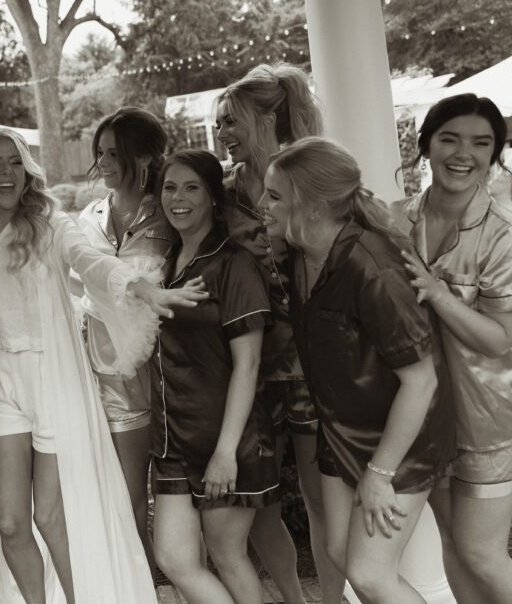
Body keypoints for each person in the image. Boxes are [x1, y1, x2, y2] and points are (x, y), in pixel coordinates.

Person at [0, 127, 203, 603]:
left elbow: (89, 261)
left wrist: (141, 287)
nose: (6, 173)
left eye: (15, 162)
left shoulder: (50, 223)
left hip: (51, 383)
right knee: (10, 523)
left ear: (27, 170)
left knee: (49, 516)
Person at [259, 138, 455, 604]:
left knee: (370, 574)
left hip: (400, 439)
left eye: (274, 196)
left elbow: (421, 380)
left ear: (311, 206)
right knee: (339, 552)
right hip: (341, 431)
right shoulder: (299, 254)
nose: (261, 204)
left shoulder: (373, 266)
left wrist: (381, 473)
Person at [393, 94, 512, 604]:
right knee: (453, 543)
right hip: (427, 412)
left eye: (480, 143)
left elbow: (498, 338)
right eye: (449, 138)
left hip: (491, 416)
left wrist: (436, 293)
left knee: (482, 552)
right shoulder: (397, 220)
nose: (463, 153)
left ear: (495, 152)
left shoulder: (510, 236)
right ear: (425, 144)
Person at [214, 62, 338, 604]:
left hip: (312, 362)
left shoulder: (310, 179)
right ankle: (293, 597)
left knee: (321, 499)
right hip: (248, 366)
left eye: (231, 121)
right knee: (259, 503)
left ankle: (331, 600)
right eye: (219, 122)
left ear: (267, 119)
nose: (222, 132)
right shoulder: (222, 191)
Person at [151, 150, 279, 604]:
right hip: (173, 439)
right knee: (174, 559)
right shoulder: (164, 263)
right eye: (170, 187)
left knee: (227, 555)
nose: (178, 198)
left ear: (212, 197)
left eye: (192, 188)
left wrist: (226, 452)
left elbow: (249, 363)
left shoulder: (233, 264)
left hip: (227, 438)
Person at [75, 107, 176, 561]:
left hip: (170, 374)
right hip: (108, 376)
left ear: (146, 155)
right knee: (125, 496)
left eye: (115, 153)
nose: (104, 162)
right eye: (100, 153)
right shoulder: (88, 217)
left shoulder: (170, 213)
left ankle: (169, 575)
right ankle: (141, 583)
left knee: (175, 498)